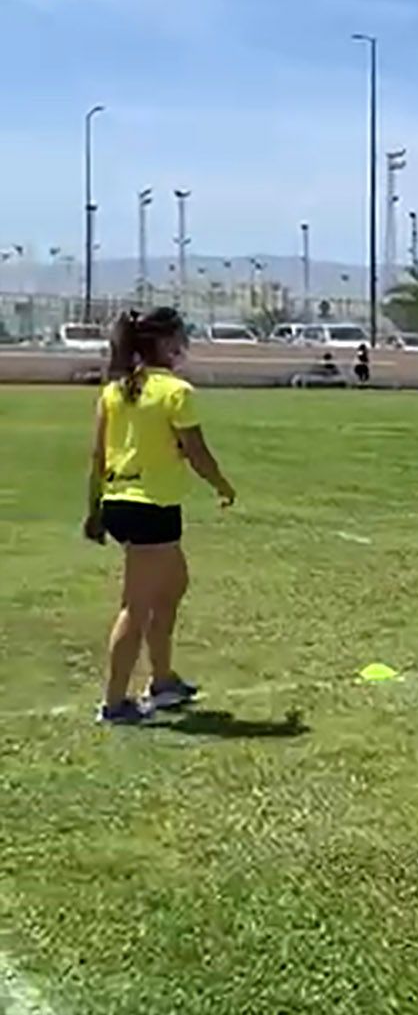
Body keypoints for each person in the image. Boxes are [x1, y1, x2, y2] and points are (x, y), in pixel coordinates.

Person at [83, 308, 237, 725]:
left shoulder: (115, 391)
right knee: (137, 605)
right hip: (150, 506)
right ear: (165, 343)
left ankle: (163, 680)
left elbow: (98, 457)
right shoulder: (175, 392)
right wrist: (222, 485)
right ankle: (115, 704)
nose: (183, 344)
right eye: (178, 337)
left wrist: (94, 508)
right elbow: (197, 451)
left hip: (124, 502)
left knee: (173, 585)